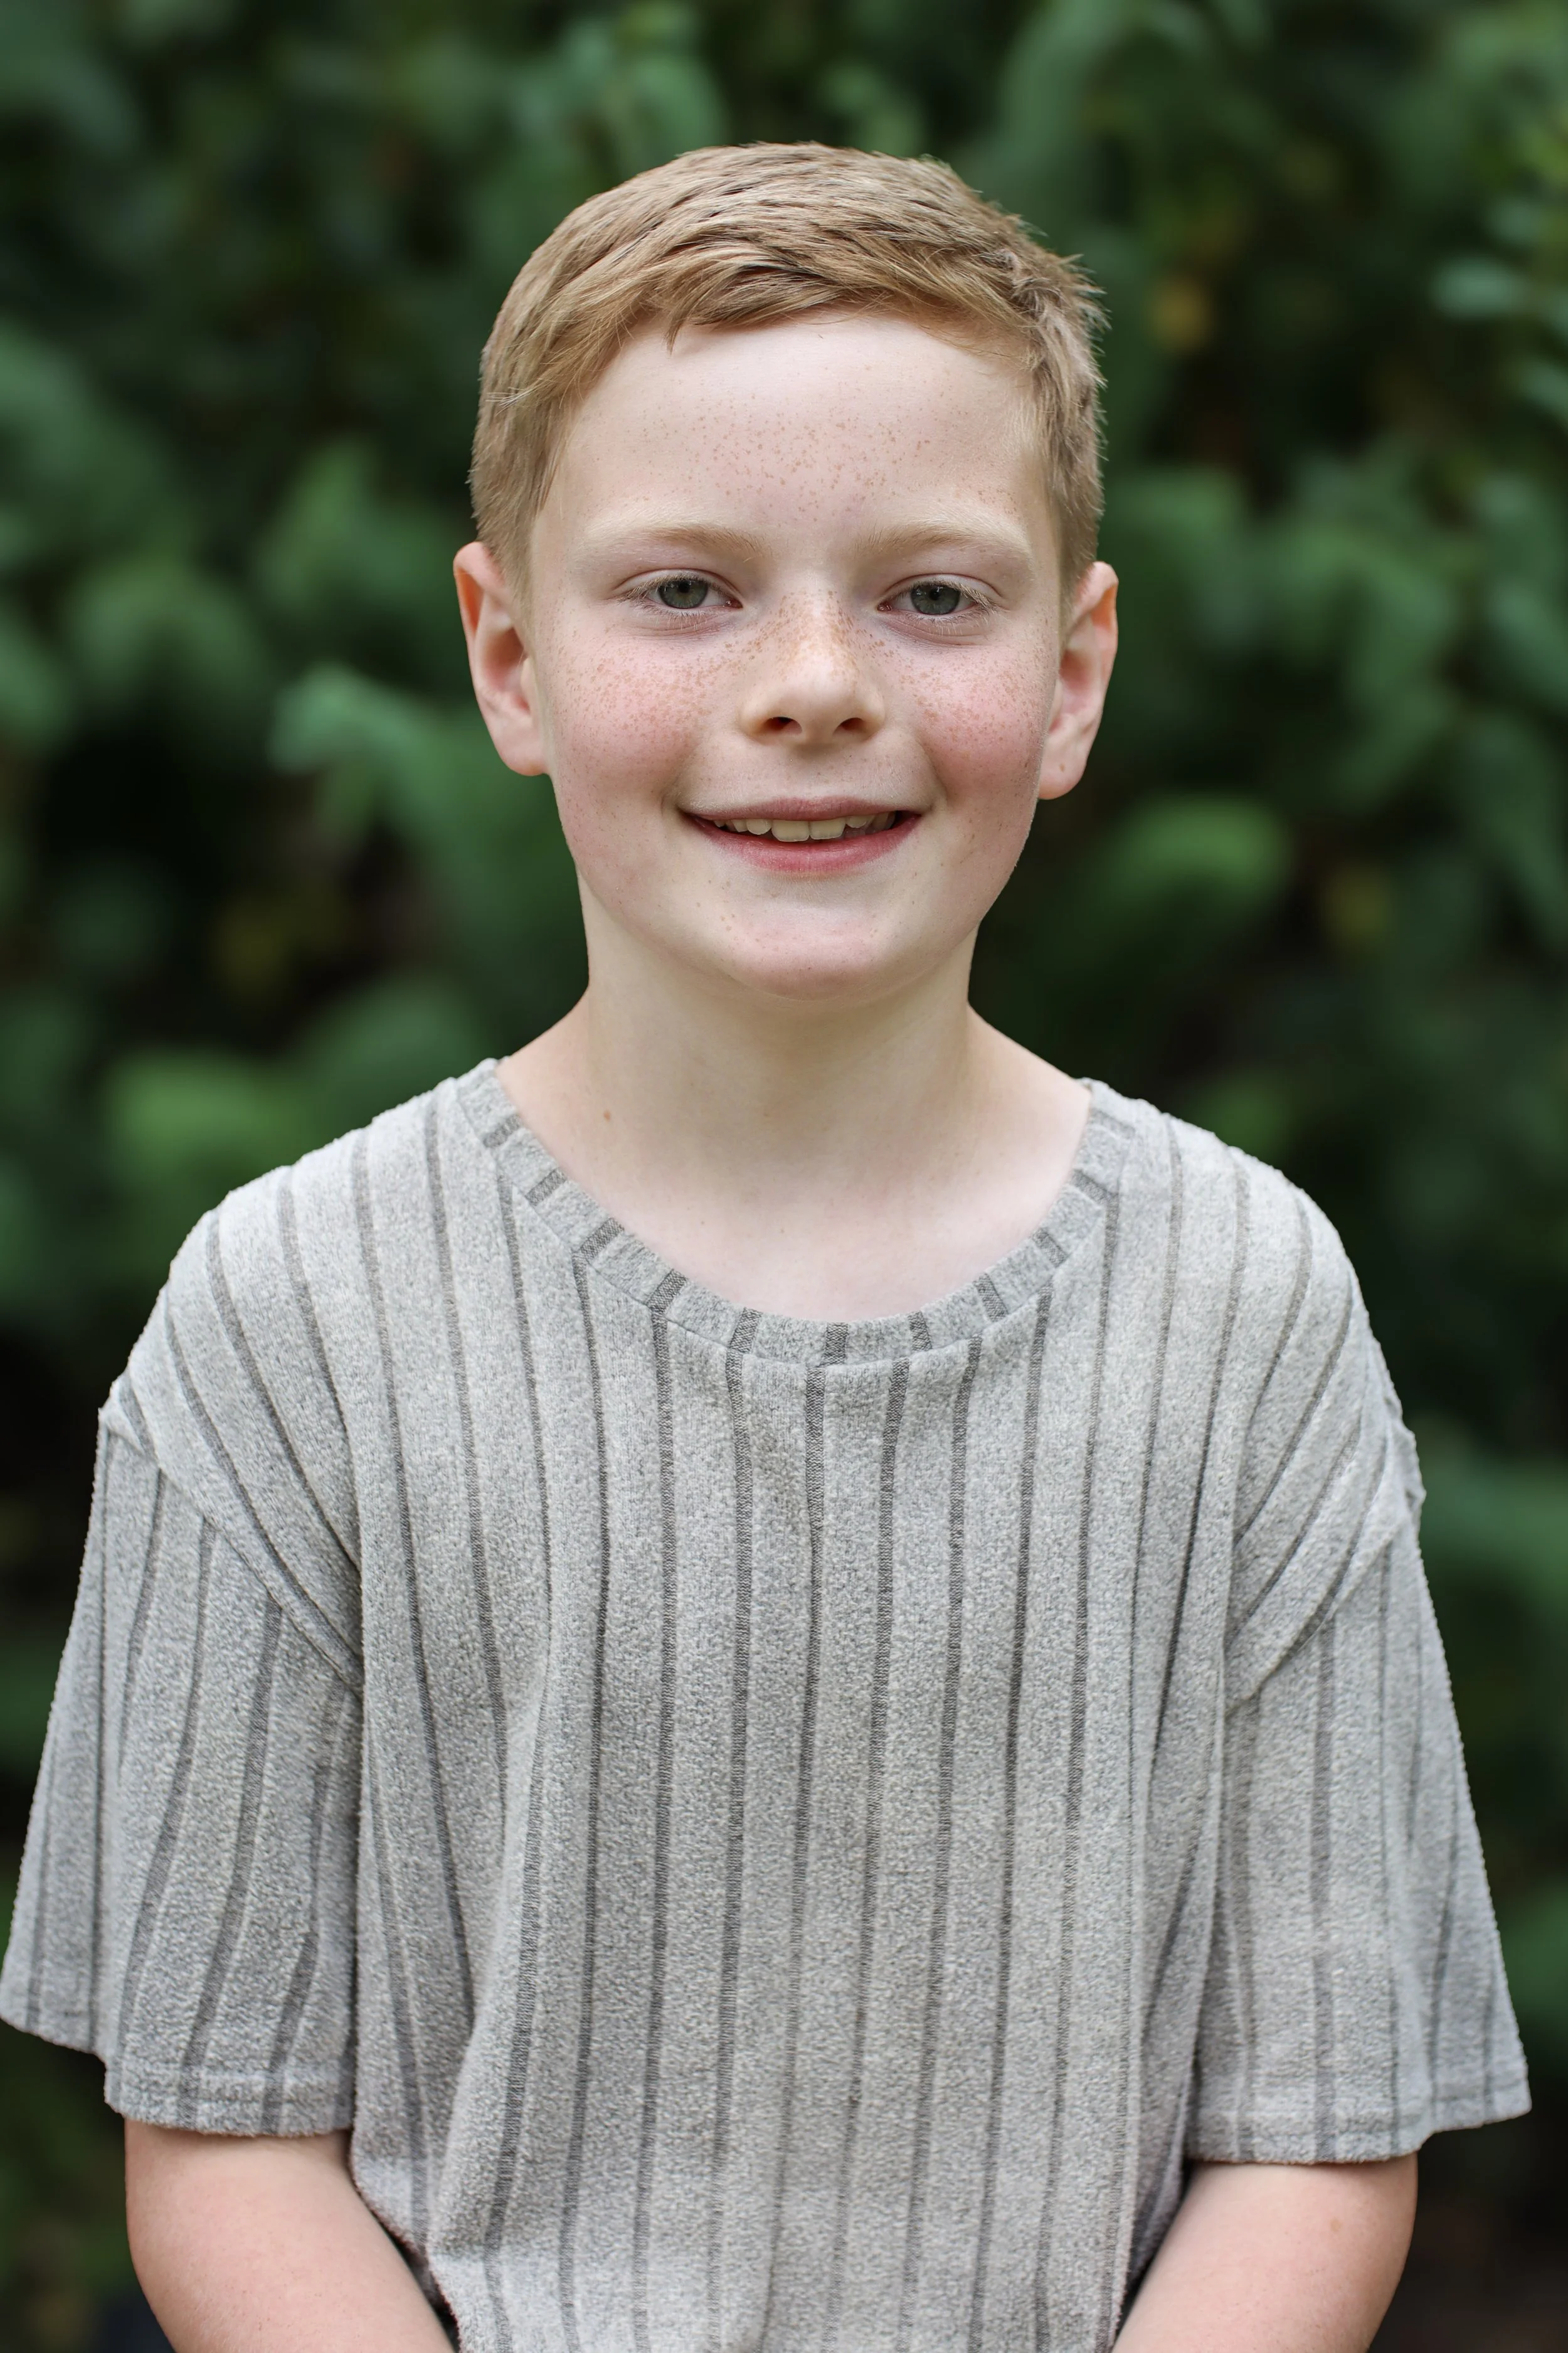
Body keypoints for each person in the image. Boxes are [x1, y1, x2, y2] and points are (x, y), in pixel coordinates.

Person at [1, 144, 1527, 2353]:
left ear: (1075, 670)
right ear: (507, 659)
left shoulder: (1246, 1315)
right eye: (685, 590)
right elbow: (228, 2147)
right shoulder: (288, 1321)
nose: (812, 682)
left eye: (929, 594)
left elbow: (1310, 2141)